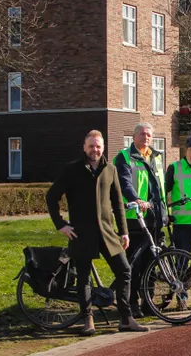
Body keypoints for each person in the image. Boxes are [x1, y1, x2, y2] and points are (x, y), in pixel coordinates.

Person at [45, 130, 148, 336]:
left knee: (124, 270)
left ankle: (126, 318)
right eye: (91, 146)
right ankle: (87, 320)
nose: (95, 150)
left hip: (107, 231)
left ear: (103, 148)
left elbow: (118, 203)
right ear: (84, 147)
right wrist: (61, 225)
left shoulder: (110, 169)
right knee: (84, 278)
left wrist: (124, 232)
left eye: (98, 146)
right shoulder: (71, 170)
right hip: (81, 232)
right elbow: (51, 197)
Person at [114, 122, 166, 319]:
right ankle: (132, 302)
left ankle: (148, 301)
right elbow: (124, 182)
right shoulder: (124, 157)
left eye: (149, 135)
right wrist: (136, 199)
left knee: (151, 262)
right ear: (134, 136)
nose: (146, 137)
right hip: (134, 218)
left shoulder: (156, 157)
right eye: (142, 134)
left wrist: (164, 212)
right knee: (133, 263)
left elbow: (159, 188)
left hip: (154, 218)